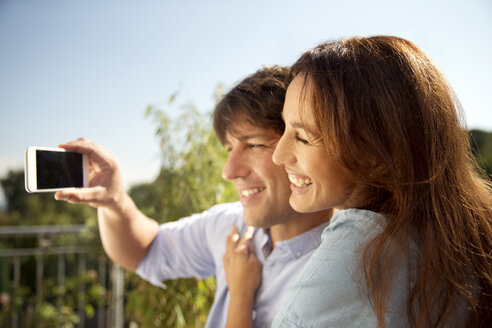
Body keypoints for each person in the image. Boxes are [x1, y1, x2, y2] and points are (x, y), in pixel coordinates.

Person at [224, 36, 492, 327]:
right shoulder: (458, 232)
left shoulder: (361, 248)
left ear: (375, 152)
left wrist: (240, 294)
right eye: (286, 128)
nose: (279, 155)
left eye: (302, 137)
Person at [54, 65, 334, 328]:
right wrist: (114, 200)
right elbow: (144, 250)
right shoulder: (230, 226)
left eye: (253, 144)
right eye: (229, 149)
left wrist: (241, 293)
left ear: (302, 145)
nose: (228, 171)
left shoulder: (343, 268)